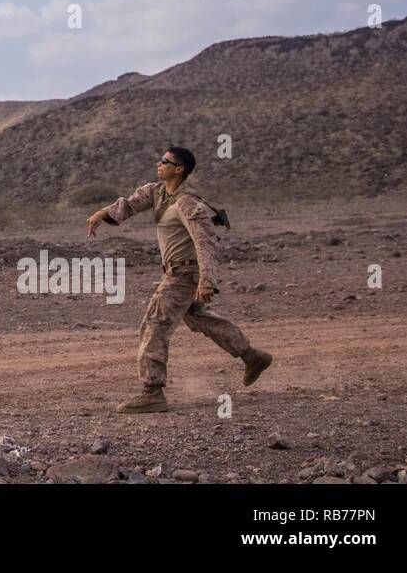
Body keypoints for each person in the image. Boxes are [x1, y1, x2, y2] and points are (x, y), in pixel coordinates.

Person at [86, 145, 272, 413]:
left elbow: (204, 242)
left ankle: (153, 392)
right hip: (175, 272)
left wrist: (207, 281)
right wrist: (102, 213)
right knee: (201, 318)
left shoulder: (188, 203)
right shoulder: (157, 192)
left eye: (165, 161)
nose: (158, 164)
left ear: (179, 169)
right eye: (160, 159)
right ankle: (252, 356)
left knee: (154, 324)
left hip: (185, 274)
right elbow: (129, 205)